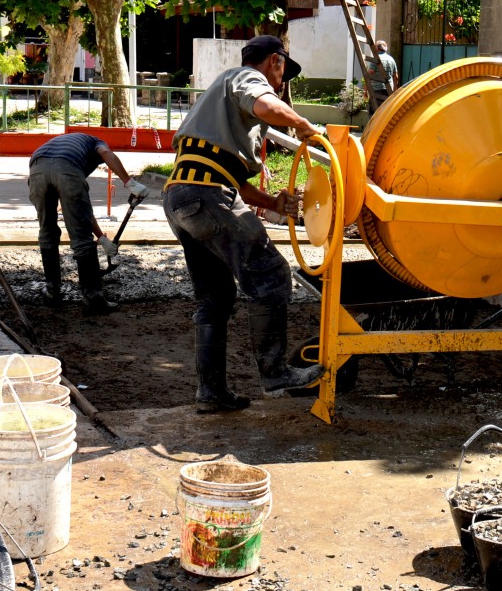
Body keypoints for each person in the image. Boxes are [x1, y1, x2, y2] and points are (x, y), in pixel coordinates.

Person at [163, 34, 325, 413]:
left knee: (214, 300)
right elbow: (265, 103)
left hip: (182, 196)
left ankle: (211, 392)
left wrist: (272, 203)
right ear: (275, 63)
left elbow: (226, 177)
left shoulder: (217, 104)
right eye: (283, 74)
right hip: (205, 195)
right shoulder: (245, 78)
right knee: (270, 273)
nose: (282, 86)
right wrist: (303, 124)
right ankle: (275, 375)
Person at [28, 132, 148, 315]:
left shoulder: (65, 143)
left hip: (37, 169)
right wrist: (130, 183)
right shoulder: (97, 142)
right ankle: (93, 297)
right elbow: (107, 155)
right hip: (65, 168)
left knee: (47, 231)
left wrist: (101, 238)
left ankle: (52, 291)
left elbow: (81, 212)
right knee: (81, 238)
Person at [371, 40, 399, 105]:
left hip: (377, 89)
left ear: (377, 48)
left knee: (375, 112)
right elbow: (396, 77)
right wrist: (395, 90)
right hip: (389, 89)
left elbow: (370, 73)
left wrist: (365, 90)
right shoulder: (391, 59)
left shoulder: (376, 59)